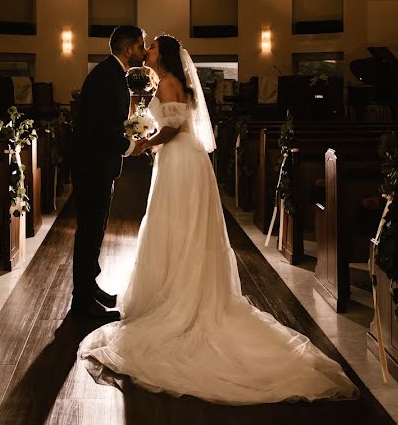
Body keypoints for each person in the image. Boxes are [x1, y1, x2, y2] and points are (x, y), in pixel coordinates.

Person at [79, 35, 359, 404]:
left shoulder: (167, 82)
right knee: (177, 227)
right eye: (143, 46)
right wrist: (145, 136)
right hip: (178, 159)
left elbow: (175, 126)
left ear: (163, 55)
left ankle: (181, 295)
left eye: (151, 47)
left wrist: (147, 142)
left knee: (178, 225)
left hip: (180, 160)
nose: (146, 51)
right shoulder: (163, 81)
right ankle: (179, 287)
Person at [69, 25, 148, 320]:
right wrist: (129, 147)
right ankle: (82, 303)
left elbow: (111, 121)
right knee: (89, 233)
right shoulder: (107, 76)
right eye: (141, 46)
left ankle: (90, 286)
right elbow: (101, 127)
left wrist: (131, 136)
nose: (143, 51)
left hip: (97, 164)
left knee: (95, 230)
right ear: (128, 50)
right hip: (92, 165)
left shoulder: (114, 74)